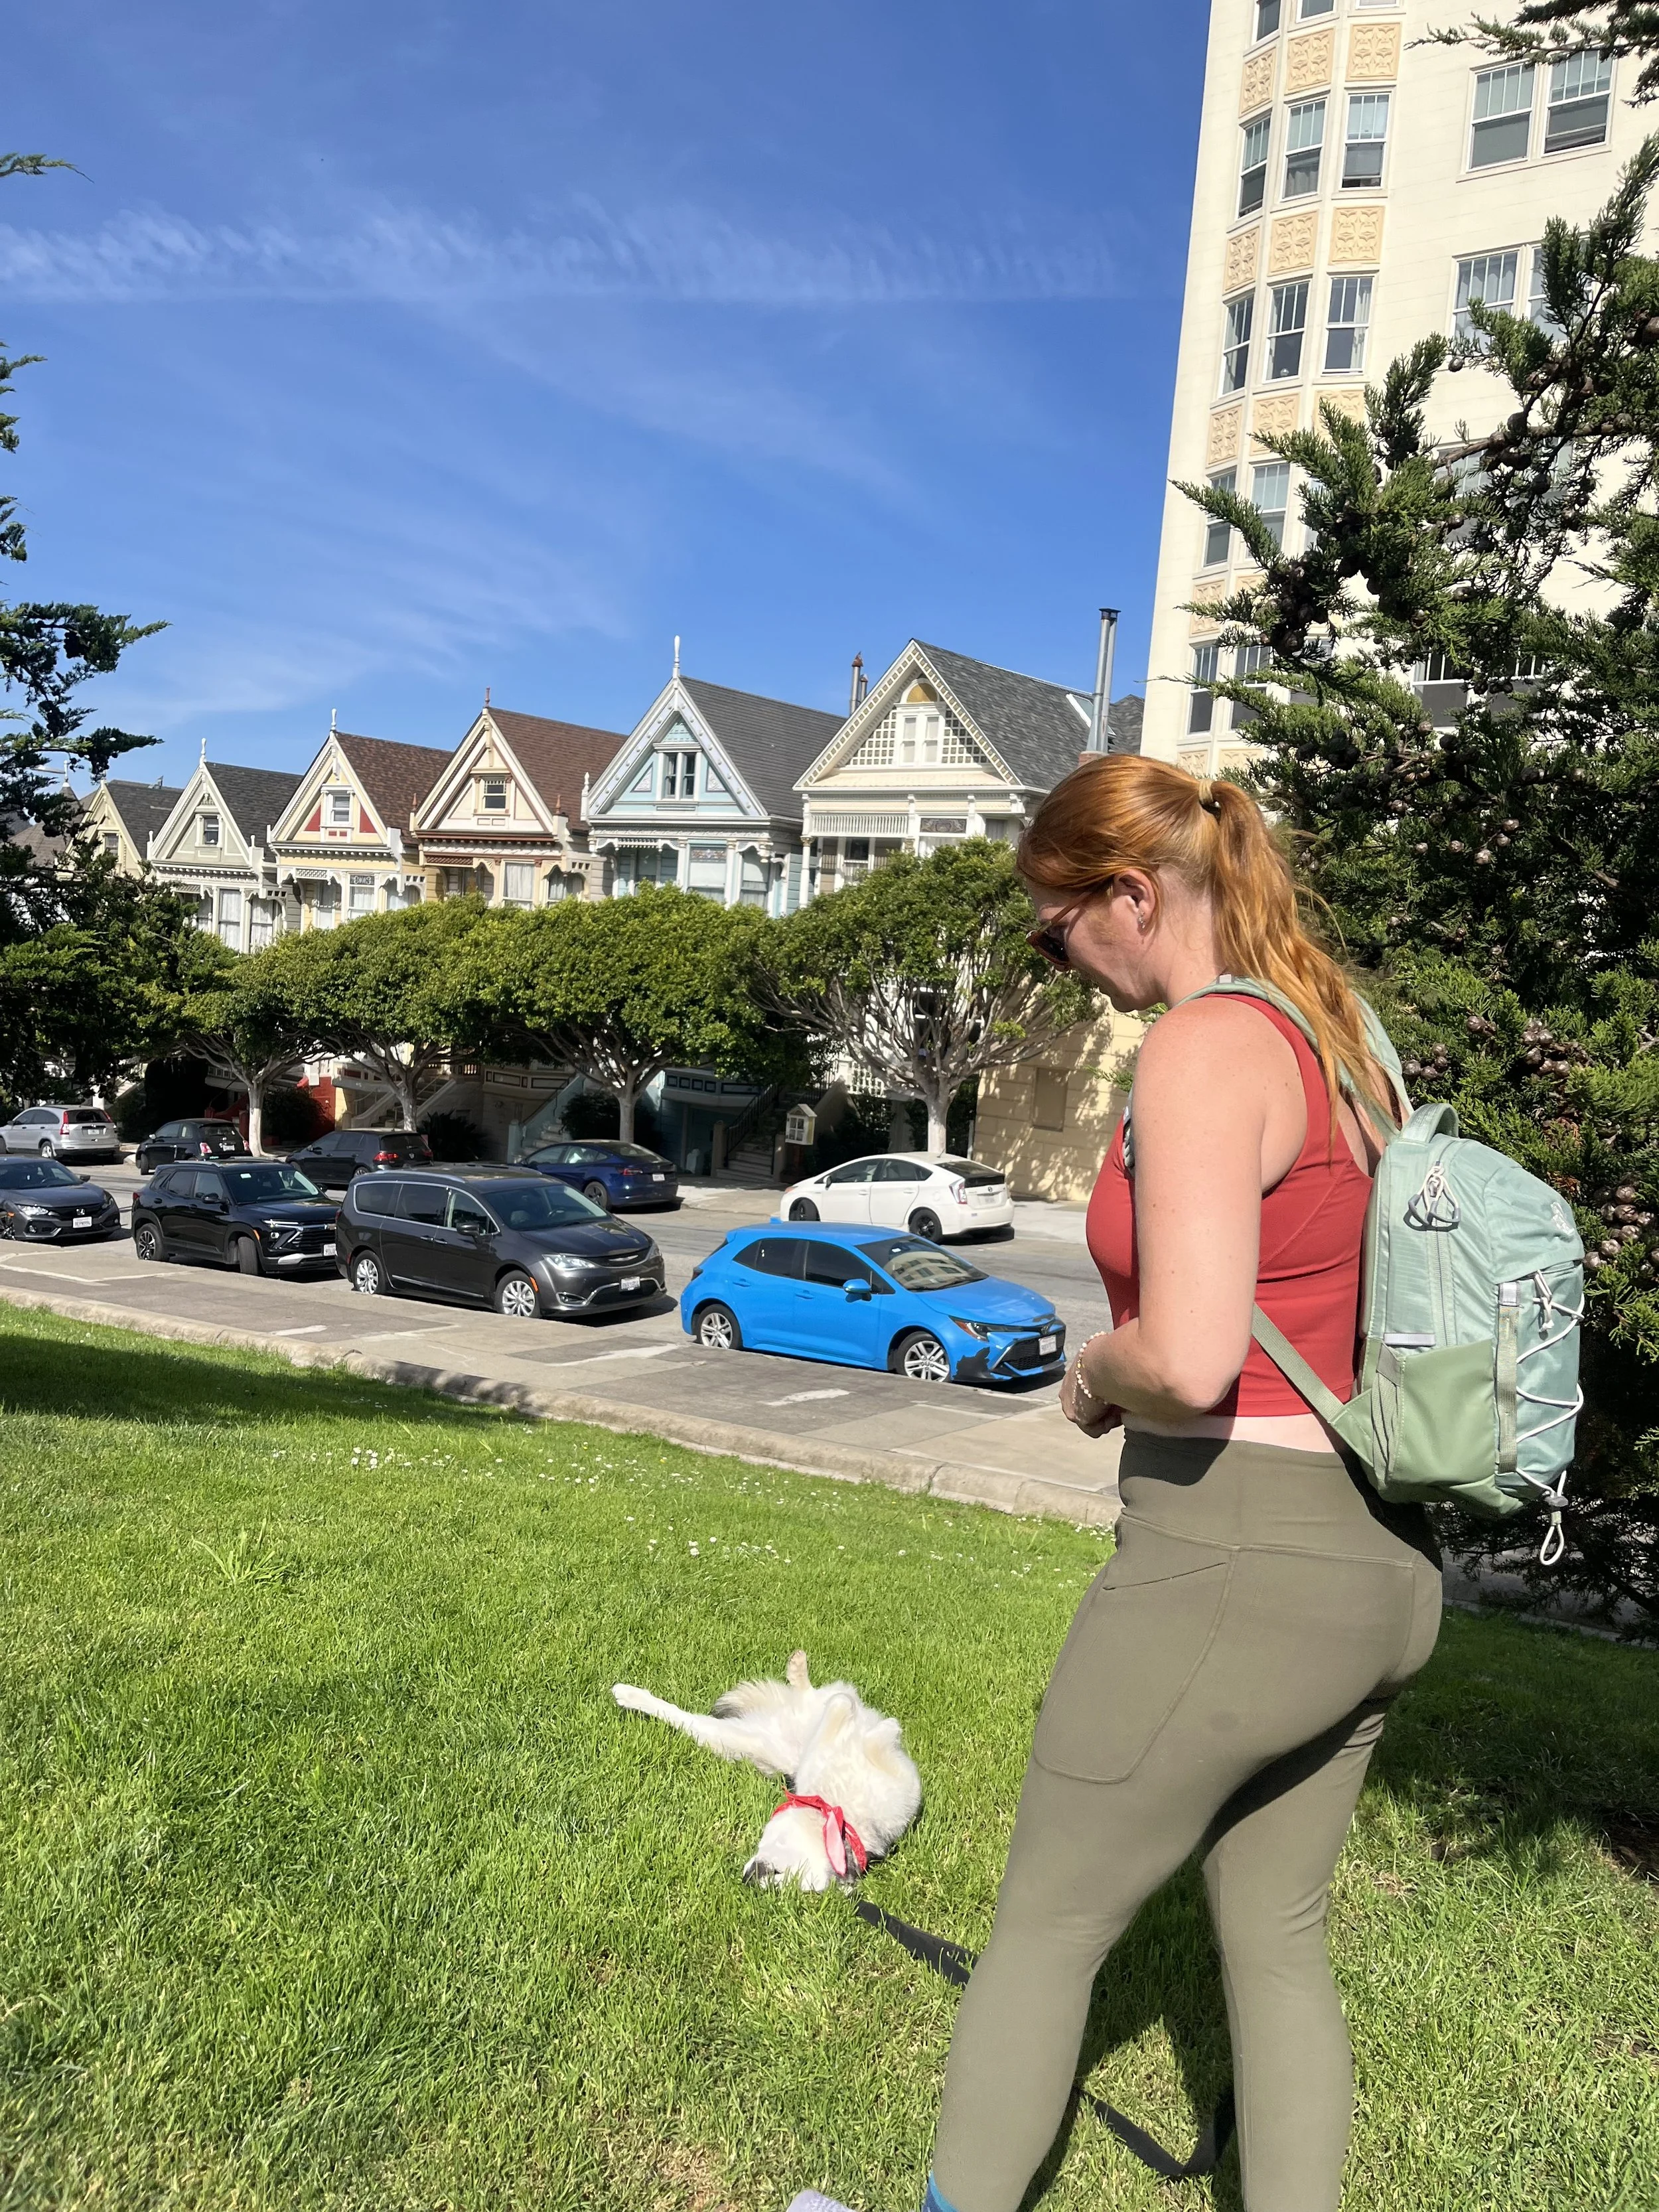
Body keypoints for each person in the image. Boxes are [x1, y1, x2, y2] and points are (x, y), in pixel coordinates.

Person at [905, 755, 1441, 2212]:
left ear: (1130, 895)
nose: (1059, 960)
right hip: (1378, 1567)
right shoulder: (1345, 1038)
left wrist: (1091, 1374)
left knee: (1046, 1925)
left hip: (1231, 1560)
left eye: (1053, 930)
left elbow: (1192, 1360)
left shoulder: (1205, 1046)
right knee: (1276, 1939)